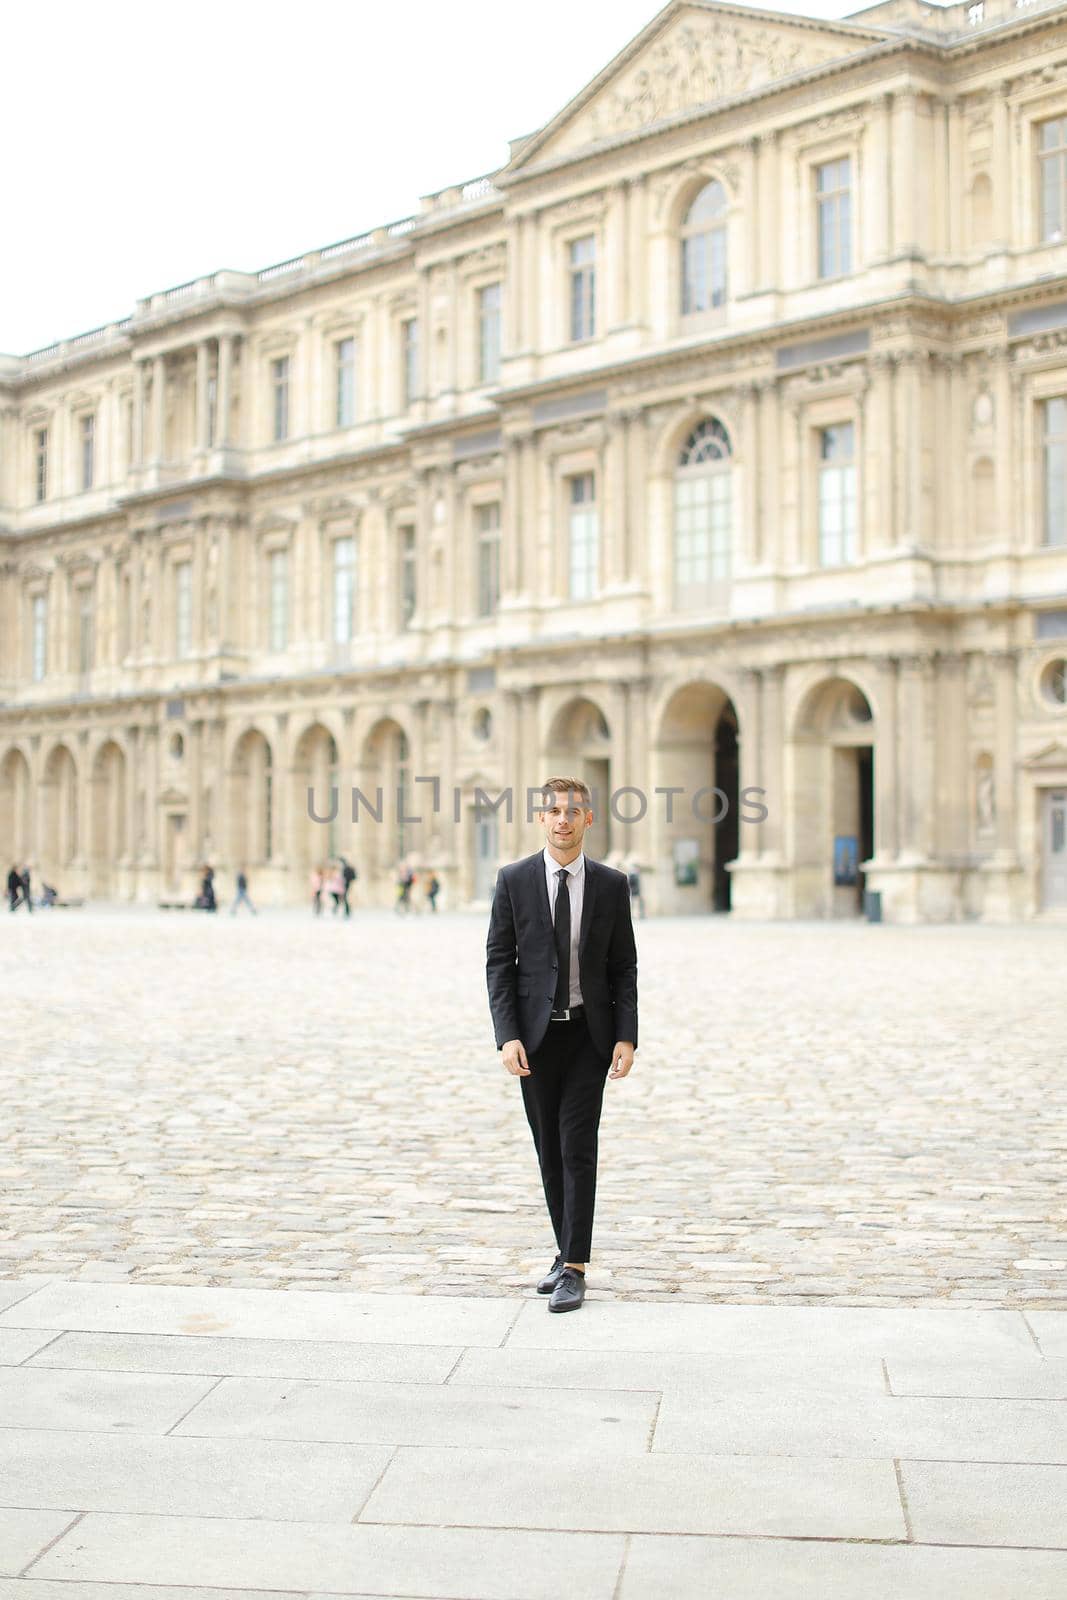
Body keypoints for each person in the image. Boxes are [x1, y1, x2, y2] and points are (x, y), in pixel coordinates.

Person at [486, 776, 638, 1314]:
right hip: (536, 1037)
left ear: (589, 819)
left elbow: (623, 965)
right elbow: (499, 964)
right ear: (541, 818)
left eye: (573, 811)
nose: (563, 819)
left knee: (577, 1144)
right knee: (548, 1147)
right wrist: (507, 1035)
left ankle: (574, 1265)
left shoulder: (612, 885)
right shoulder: (514, 881)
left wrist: (626, 1035)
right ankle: (562, 1250)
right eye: (553, 811)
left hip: (588, 1037)